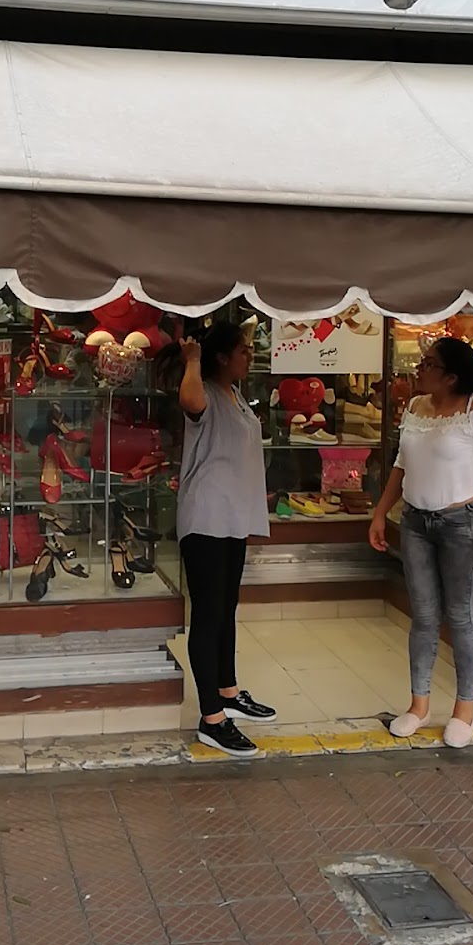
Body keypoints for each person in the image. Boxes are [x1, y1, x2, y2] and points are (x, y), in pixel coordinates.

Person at [368, 337, 473, 749]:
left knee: (460, 614)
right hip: (416, 522)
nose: (419, 368)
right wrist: (381, 512)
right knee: (423, 615)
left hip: (461, 525)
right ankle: (419, 705)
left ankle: (465, 710)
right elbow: (401, 464)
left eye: (428, 363)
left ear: (451, 377)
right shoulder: (415, 407)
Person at [174, 321, 275, 757]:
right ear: (221, 357)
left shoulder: (236, 395)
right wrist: (192, 361)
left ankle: (228, 691)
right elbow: (189, 400)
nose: (249, 356)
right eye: (243, 351)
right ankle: (211, 718)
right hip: (206, 518)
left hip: (233, 518)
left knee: (226, 608)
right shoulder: (207, 393)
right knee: (209, 614)